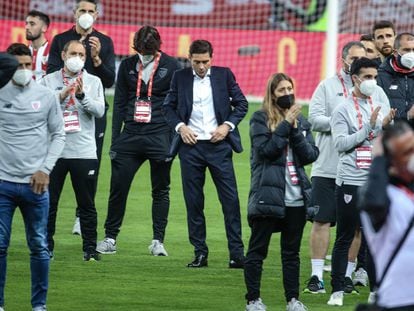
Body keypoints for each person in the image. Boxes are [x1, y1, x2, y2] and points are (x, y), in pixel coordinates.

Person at [305, 41, 389, 295]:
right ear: (343, 60)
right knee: (321, 220)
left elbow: (383, 121)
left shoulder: (376, 90)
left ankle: (346, 276)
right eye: (353, 57)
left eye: (362, 57)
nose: (357, 60)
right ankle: (317, 275)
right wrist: (346, 119)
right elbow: (313, 119)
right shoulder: (327, 86)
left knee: (354, 227)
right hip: (327, 164)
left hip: (359, 170)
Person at [96, 26, 181, 256]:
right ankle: (110, 238)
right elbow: (120, 104)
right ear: (135, 47)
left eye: (150, 51)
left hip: (160, 135)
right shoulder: (126, 66)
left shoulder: (173, 66)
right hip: (130, 135)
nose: (145, 54)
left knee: (161, 190)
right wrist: (115, 142)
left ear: (158, 47)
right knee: (118, 188)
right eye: (142, 50)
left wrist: (173, 142)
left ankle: (158, 241)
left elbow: (178, 106)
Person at [163, 39, 247, 268]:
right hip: (190, 149)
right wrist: (181, 128)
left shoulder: (224, 75)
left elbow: (241, 104)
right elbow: (168, 107)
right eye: (197, 61)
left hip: (218, 146)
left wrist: (227, 126)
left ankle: (237, 254)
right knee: (194, 202)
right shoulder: (179, 78)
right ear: (189, 58)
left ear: (212, 58)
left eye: (206, 61)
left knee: (230, 201)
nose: (201, 66)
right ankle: (200, 253)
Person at [243, 73, 318, 311]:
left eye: (289, 88)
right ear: (272, 94)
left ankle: (293, 300)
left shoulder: (301, 121)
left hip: (296, 198)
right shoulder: (259, 118)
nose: (287, 93)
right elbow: (266, 151)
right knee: (257, 251)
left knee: (291, 254)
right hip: (268, 195)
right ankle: (253, 300)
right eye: (281, 90)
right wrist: (286, 124)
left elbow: (310, 155)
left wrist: (294, 128)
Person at [0, 43, 65, 311]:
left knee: (38, 246)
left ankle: (39, 306)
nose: (24, 70)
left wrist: (45, 169)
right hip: (3, 183)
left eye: (28, 65)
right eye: (18, 66)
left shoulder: (46, 95)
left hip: (36, 185)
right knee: (0, 246)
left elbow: (59, 134)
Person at [327, 57, 395, 307]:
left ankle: (376, 291)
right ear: (355, 78)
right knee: (344, 236)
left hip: (374, 179)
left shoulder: (378, 103)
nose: (372, 82)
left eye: (375, 77)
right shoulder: (342, 109)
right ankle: (336, 290)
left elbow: (380, 140)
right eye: (367, 77)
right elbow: (341, 144)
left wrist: (384, 127)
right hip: (351, 180)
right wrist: (368, 127)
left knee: (378, 237)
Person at [47, 0, 115, 235]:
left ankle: (80, 215)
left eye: (90, 11)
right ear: (74, 13)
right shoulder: (60, 40)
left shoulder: (104, 41)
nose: (86, 14)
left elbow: (109, 81)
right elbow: (51, 72)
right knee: (55, 164)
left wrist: (96, 58)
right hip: (61, 110)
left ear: (97, 14)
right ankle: (48, 228)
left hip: (90, 111)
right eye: (82, 10)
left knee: (89, 162)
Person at [41, 40, 104, 261]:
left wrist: (81, 96)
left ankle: (90, 249)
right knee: (49, 204)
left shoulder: (94, 81)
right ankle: (46, 247)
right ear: (63, 54)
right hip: (54, 152)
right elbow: (41, 110)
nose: (77, 57)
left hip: (84, 152)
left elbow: (99, 111)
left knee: (87, 204)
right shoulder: (48, 81)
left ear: (85, 58)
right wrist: (60, 95)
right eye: (73, 53)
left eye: (81, 54)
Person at [359, 120, 414, 310]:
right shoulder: (382, 196)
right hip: (399, 300)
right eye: (406, 152)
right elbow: (375, 203)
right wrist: (378, 159)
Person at [377, 33, 414, 121]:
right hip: (392, 132)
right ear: (395, 53)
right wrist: (407, 116)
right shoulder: (381, 75)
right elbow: (379, 112)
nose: (411, 54)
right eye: (407, 50)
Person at [25, 10, 50, 81]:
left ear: (44, 28)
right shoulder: (24, 51)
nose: (27, 27)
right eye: (26, 23)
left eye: (32, 24)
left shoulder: (53, 51)